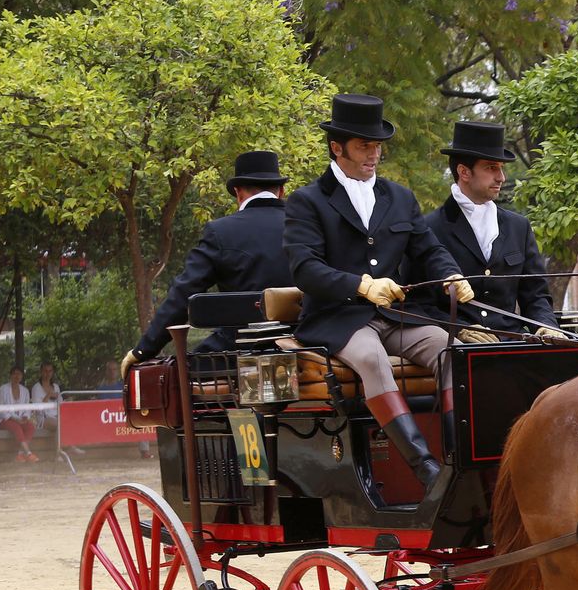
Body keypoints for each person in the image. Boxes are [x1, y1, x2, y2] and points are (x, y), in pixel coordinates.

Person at [283, 93, 474, 490]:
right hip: (338, 318)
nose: (373, 154)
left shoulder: (399, 198)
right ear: (338, 148)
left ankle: (460, 459)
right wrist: (361, 285)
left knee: (450, 349)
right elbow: (306, 269)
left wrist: (451, 276)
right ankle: (424, 468)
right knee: (371, 360)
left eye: (377, 146)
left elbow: (429, 249)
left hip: (396, 315)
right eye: (364, 146)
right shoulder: (307, 201)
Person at [123, 151, 295, 375]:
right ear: (281, 191)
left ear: (238, 193)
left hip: (240, 354)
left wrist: (143, 350)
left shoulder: (221, 232)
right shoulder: (308, 225)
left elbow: (183, 295)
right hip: (309, 347)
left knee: (179, 377)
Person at [417, 120, 559, 345]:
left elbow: (536, 295)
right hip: (458, 349)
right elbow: (417, 303)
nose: (501, 177)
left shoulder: (518, 226)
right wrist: (457, 329)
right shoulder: (428, 228)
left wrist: (545, 326)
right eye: (491, 167)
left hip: (512, 345)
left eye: (501, 168)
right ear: (464, 171)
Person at [0, 366, 37, 462]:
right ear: (10, 375)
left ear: (22, 376)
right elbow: (0, 409)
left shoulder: (25, 390)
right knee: (16, 427)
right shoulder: (3, 389)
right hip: (5, 420)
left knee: (30, 426)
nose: (16, 376)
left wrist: (25, 417)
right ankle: (28, 453)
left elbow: (27, 408)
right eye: (14, 373)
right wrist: (14, 419)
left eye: (19, 374)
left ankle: (20, 454)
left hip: (20, 419)